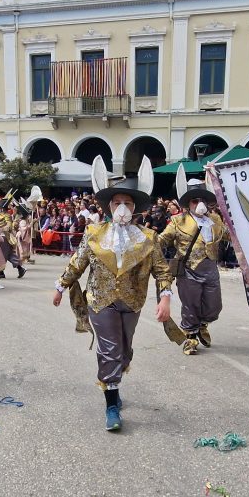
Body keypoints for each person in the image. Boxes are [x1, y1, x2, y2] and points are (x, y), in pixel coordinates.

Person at [53, 160, 173, 432]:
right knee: (109, 351)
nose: (122, 208)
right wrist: (61, 286)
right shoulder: (95, 233)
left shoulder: (148, 237)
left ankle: (115, 386)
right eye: (117, 202)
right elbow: (78, 262)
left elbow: (162, 270)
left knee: (124, 351)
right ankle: (111, 404)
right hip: (100, 300)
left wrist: (165, 298)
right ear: (109, 206)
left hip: (132, 302)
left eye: (127, 203)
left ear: (135, 208)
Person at [159, 176, 227, 356]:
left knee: (214, 306)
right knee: (190, 305)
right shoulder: (178, 221)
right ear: (188, 203)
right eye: (195, 200)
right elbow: (163, 239)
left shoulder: (215, 219)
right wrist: (146, 245)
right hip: (188, 270)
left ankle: (203, 324)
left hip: (210, 268)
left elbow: (229, 236)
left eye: (203, 200)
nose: (200, 204)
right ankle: (191, 337)